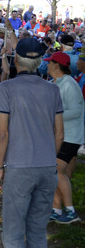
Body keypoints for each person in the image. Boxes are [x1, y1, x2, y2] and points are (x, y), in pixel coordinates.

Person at [0, 38, 64, 248]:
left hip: (20, 168)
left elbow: (2, 132)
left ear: (18, 60)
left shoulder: (7, 88)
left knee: (12, 234)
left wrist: (0, 167)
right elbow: (59, 134)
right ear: (39, 61)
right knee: (36, 230)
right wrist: (46, 156)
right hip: (47, 167)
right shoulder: (52, 90)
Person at [44, 52, 84, 224]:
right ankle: (57, 209)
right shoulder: (55, 83)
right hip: (59, 134)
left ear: (56, 65)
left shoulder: (69, 84)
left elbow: (76, 111)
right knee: (50, 171)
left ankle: (70, 211)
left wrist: (54, 116)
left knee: (55, 171)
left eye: (49, 62)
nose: (46, 65)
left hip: (70, 136)